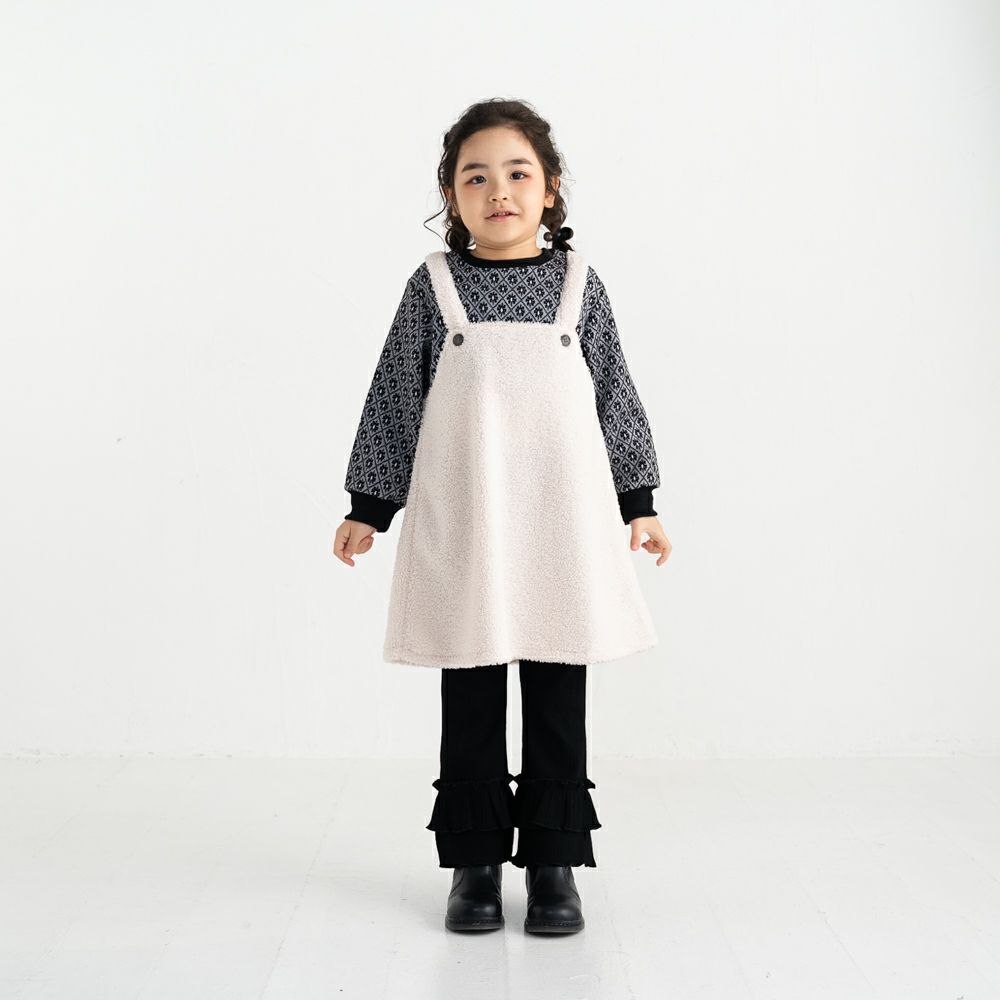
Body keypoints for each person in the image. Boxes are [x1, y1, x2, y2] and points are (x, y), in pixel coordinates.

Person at [332, 98, 672, 935]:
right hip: (468, 522)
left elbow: (614, 393)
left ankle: (555, 863)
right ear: (451, 196)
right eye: (475, 178)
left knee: (557, 693)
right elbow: (395, 396)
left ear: (550, 189)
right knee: (472, 693)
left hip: (561, 523)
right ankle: (474, 864)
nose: (499, 192)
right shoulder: (434, 289)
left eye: (518, 174)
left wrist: (639, 502)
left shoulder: (580, 287)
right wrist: (370, 506)